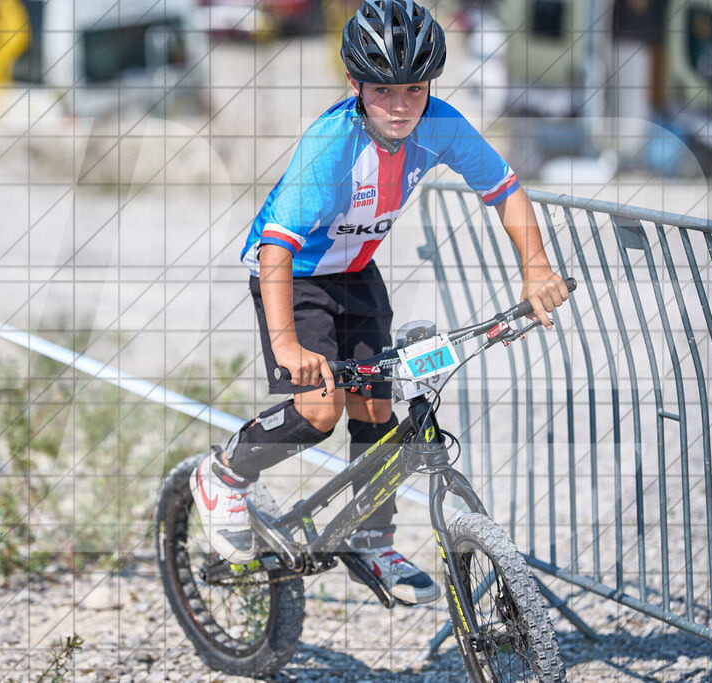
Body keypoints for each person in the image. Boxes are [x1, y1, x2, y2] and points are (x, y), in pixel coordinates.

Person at [190, 0, 570, 605]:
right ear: (355, 85)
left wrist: (538, 269)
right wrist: (288, 344)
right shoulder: (330, 145)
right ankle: (225, 474)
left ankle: (370, 540)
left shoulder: (440, 123)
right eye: (383, 90)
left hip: (357, 273)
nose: (399, 106)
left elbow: (505, 190)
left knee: (377, 413)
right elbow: (276, 250)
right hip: (298, 276)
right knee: (319, 413)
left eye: (415, 90)